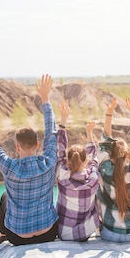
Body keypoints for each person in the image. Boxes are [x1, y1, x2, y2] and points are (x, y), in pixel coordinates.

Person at [0, 74, 58, 246]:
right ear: (38, 144)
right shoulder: (49, 162)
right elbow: (52, 132)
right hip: (48, 233)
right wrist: (45, 98)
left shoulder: (10, 167)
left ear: (17, 147)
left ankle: (2, 234)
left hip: (18, 238)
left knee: (5, 197)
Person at [97, 97, 130, 242]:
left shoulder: (105, 169)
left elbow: (104, 142)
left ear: (110, 155)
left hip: (108, 232)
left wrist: (109, 113)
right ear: (128, 154)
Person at [55, 100, 101, 241]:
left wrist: (63, 121)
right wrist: (89, 133)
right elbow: (94, 157)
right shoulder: (93, 177)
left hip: (63, 232)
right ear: (85, 161)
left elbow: (60, 150)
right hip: (84, 234)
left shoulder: (62, 175)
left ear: (68, 161)